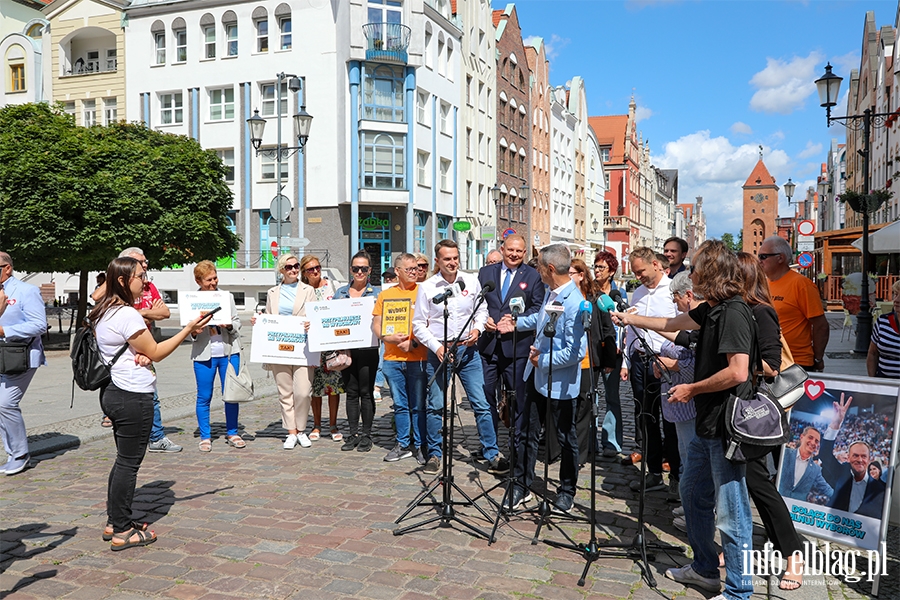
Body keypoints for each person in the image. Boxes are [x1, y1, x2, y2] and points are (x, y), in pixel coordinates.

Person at [617, 240, 755, 599]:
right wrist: (631, 318)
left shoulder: (734, 312)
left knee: (730, 511)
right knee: (692, 496)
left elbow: (738, 372)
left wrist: (692, 388)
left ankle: (739, 589)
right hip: (706, 424)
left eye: (695, 269)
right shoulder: (712, 308)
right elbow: (674, 323)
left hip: (726, 426)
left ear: (710, 272)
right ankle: (705, 569)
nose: (689, 275)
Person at [91, 257, 212, 550]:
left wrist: (143, 352)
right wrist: (189, 329)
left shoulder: (104, 311)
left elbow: (137, 349)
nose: (145, 281)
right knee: (128, 464)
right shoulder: (127, 314)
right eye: (139, 276)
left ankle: (115, 520)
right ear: (122, 281)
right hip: (132, 395)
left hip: (114, 391)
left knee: (123, 461)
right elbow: (156, 351)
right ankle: (121, 530)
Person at [497, 244, 587, 513]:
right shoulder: (552, 292)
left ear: (549, 269)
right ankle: (522, 484)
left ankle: (566, 490)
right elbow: (541, 319)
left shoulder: (576, 302)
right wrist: (516, 323)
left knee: (565, 437)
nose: (535, 270)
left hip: (559, 382)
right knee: (526, 432)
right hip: (535, 376)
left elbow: (576, 352)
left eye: (538, 266)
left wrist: (543, 361)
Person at [734, 251, 806, 590]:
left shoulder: (761, 312)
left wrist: (737, 361)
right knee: (736, 483)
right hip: (732, 407)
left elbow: (772, 367)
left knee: (758, 482)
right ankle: (739, 548)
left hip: (755, 409)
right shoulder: (734, 310)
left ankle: (793, 554)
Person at [412, 239, 508, 475]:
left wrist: (478, 329)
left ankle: (491, 452)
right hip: (440, 352)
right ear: (437, 261)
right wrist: (436, 347)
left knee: (481, 404)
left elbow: (481, 310)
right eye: (447, 259)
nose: (453, 262)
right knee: (435, 405)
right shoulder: (427, 287)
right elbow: (418, 325)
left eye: (455, 258)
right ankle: (434, 454)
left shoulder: (471, 281)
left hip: (468, 351)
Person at [92, 248, 182, 452]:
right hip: (128, 364)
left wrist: (139, 314)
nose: (145, 267)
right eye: (139, 264)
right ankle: (155, 437)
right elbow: (96, 296)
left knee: (152, 396)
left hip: (141, 348)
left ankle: (156, 436)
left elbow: (164, 312)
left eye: (145, 262)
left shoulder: (147, 286)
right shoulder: (120, 308)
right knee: (128, 460)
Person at [620, 247, 677, 493]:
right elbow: (632, 329)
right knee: (646, 418)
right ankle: (653, 472)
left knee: (672, 420)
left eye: (640, 271)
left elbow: (682, 329)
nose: (638, 276)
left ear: (655, 264)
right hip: (641, 362)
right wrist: (626, 362)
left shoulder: (673, 290)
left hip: (666, 362)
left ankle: (676, 476)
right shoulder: (639, 294)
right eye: (635, 272)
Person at [477, 234, 543, 444]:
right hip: (488, 346)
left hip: (517, 349)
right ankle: (490, 445)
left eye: (519, 251)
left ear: (524, 253)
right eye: (510, 249)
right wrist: (482, 320)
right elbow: (477, 304)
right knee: (486, 395)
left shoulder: (533, 276)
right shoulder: (486, 272)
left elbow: (537, 308)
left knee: (517, 398)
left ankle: (517, 445)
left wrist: (517, 321)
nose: (514, 254)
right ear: (503, 249)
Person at [372, 253, 427, 463]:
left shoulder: (423, 292)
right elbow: (376, 325)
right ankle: (403, 443)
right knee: (400, 404)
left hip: (418, 357)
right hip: (392, 358)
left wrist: (412, 343)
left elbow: (432, 324)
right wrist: (389, 337)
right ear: (397, 271)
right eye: (409, 269)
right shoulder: (386, 296)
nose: (414, 272)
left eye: (416, 268)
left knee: (419, 404)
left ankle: (421, 444)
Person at [260, 254, 318, 449]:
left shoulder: (308, 290)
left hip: (302, 347)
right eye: (289, 267)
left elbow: (315, 314)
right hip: (280, 348)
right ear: (281, 270)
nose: (293, 270)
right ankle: (291, 431)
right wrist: (259, 320)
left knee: (303, 392)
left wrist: (313, 323)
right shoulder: (272, 292)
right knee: (285, 392)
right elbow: (269, 317)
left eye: (296, 266)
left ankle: (301, 429)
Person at [189, 261, 245, 452]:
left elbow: (238, 323)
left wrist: (229, 325)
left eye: (215, 278)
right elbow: (188, 331)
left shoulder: (226, 297)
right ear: (198, 281)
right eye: (208, 280)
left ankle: (233, 432)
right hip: (205, 354)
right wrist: (195, 331)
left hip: (228, 352)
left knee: (231, 395)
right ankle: (205, 436)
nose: (213, 282)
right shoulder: (192, 299)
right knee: (204, 396)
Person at [0, 252, 47, 475]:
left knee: (6, 403)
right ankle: (12, 452)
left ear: (7, 268)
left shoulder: (27, 291)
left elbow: (39, 325)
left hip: (19, 355)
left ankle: (20, 453)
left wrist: (5, 330)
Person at [758, 235, 829, 372]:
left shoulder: (801, 285)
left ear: (780, 258)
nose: (759, 261)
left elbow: (821, 325)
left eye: (763, 257)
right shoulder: (764, 284)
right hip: (768, 361)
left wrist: (818, 358)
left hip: (795, 362)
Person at [334, 251, 381, 452]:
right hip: (347, 350)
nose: (359, 272)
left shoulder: (377, 293)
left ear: (369, 270)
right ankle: (352, 434)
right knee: (351, 392)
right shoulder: (341, 293)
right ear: (351, 270)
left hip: (368, 349)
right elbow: (330, 320)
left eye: (363, 268)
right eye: (355, 268)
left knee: (366, 392)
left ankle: (366, 435)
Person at [819, 394, 887, 518]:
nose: (859, 460)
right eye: (855, 455)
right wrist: (836, 424)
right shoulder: (841, 474)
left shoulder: (880, 489)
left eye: (863, 456)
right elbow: (824, 454)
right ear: (848, 458)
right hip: (831, 527)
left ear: (870, 459)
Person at [299, 254, 343, 443]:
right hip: (310, 344)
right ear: (304, 273)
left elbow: (341, 309)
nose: (316, 271)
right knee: (315, 387)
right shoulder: (302, 290)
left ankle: (333, 424)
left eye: (317, 267)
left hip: (330, 343)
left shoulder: (331, 286)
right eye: (311, 269)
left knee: (333, 386)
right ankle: (316, 424)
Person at [593, 251, 626, 459]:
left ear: (611, 271)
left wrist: (618, 346)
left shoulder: (617, 294)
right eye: (595, 267)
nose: (596, 271)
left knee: (612, 396)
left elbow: (624, 322)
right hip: (593, 349)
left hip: (613, 350)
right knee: (590, 397)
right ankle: (589, 440)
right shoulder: (589, 292)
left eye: (601, 267)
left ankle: (611, 442)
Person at [779, 426, 833, 501]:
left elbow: (827, 489)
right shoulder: (785, 453)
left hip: (796, 509)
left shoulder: (816, 469)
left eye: (817, 441)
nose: (813, 442)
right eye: (810, 437)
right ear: (802, 437)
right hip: (776, 503)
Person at [373, 268, 398, 403]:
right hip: (386, 329)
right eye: (386, 277)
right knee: (382, 358)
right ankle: (377, 386)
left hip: (400, 327)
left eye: (391, 277)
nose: (388, 279)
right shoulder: (382, 293)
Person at [867, 279, 900, 378]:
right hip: (885, 383)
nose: (897, 300)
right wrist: (873, 382)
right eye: (895, 294)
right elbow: (872, 353)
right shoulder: (883, 321)